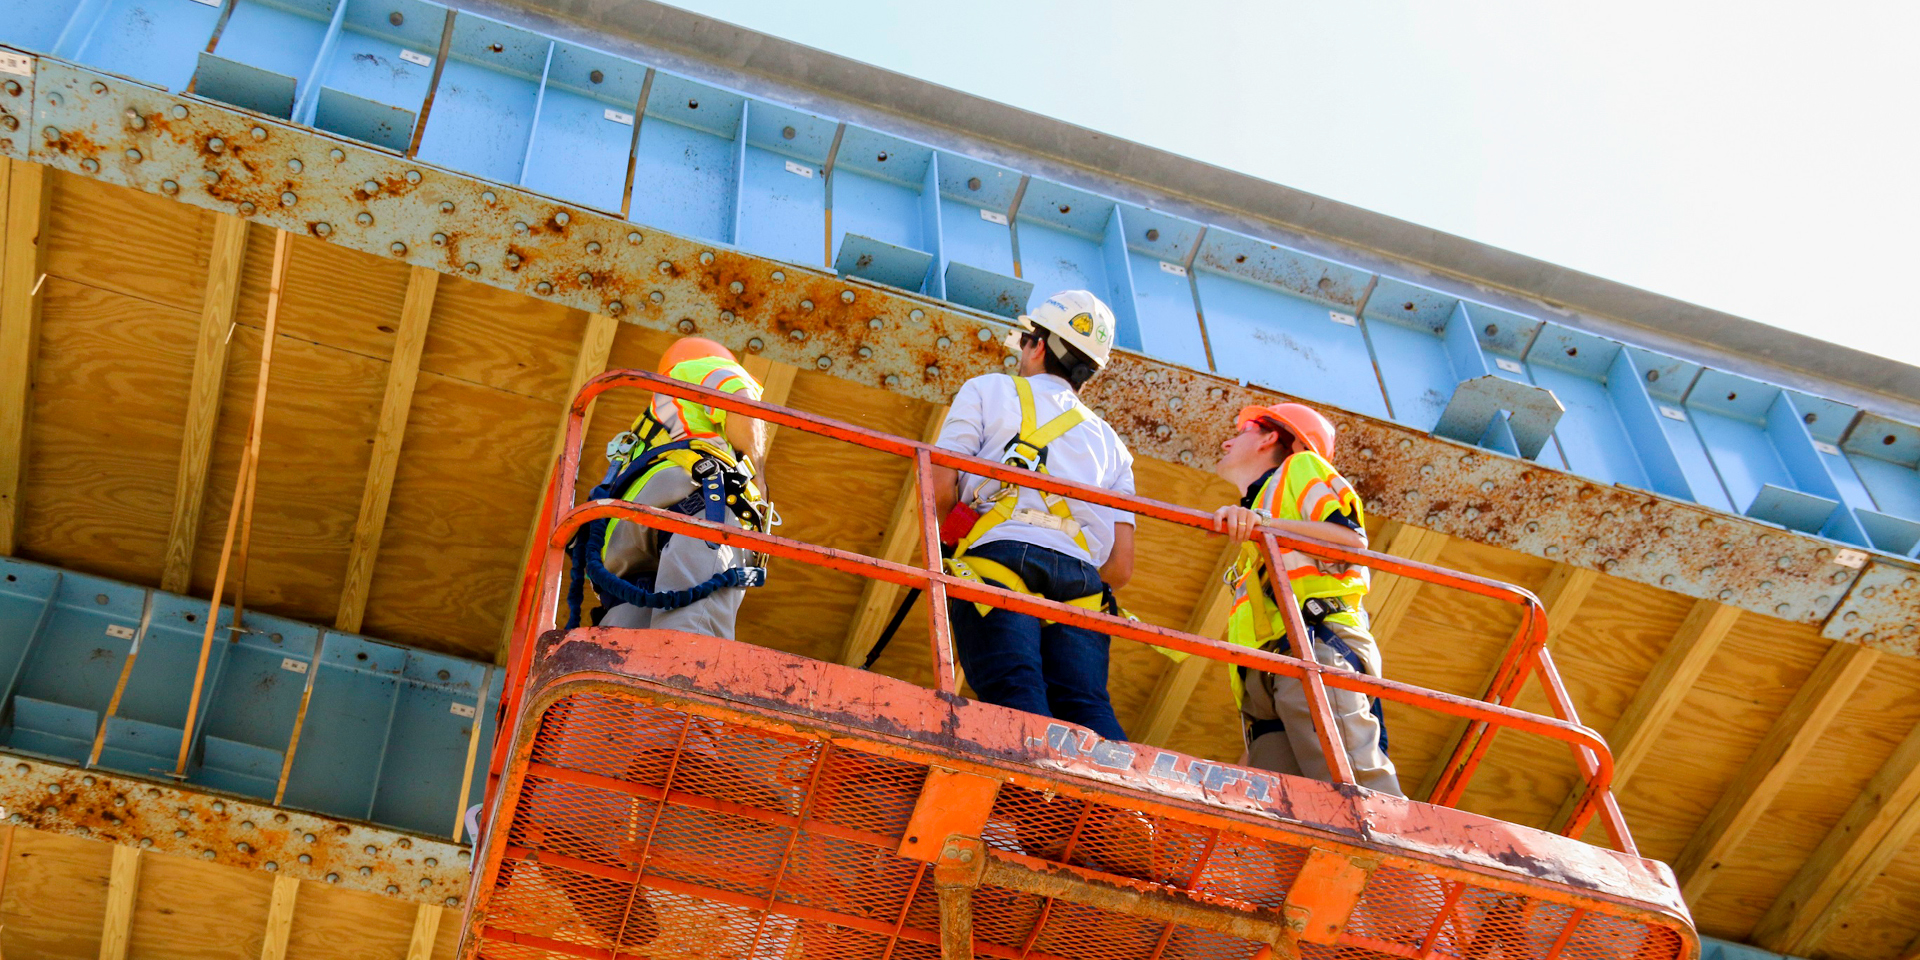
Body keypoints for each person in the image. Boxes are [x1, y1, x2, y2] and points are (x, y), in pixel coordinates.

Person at [930, 290, 1136, 741]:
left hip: (998, 562)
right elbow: (1119, 569)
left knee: (1014, 692)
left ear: (1037, 344)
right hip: (1082, 585)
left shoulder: (990, 389)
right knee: (1086, 706)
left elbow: (940, 484)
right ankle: (1112, 807)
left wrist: (957, 536)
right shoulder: (1113, 445)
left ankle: (1028, 808)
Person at [1209, 402, 1402, 795]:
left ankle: (1394, 856)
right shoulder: (1263, 509)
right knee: (1287, 811)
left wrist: (1267, 526)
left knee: (1358, 792)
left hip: (1315, 649)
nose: (1229, 440)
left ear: (1272, 436)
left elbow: (1351, 543)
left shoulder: (1300, 468)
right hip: (1269, 676)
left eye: (1244, 428)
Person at [567, 336, 771, 637]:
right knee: (690, 638)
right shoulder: (703, 369)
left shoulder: (643, 431)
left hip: (623, 545)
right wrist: (759, 479)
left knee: (622, 650)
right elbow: (741, 401)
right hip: (695, 505)